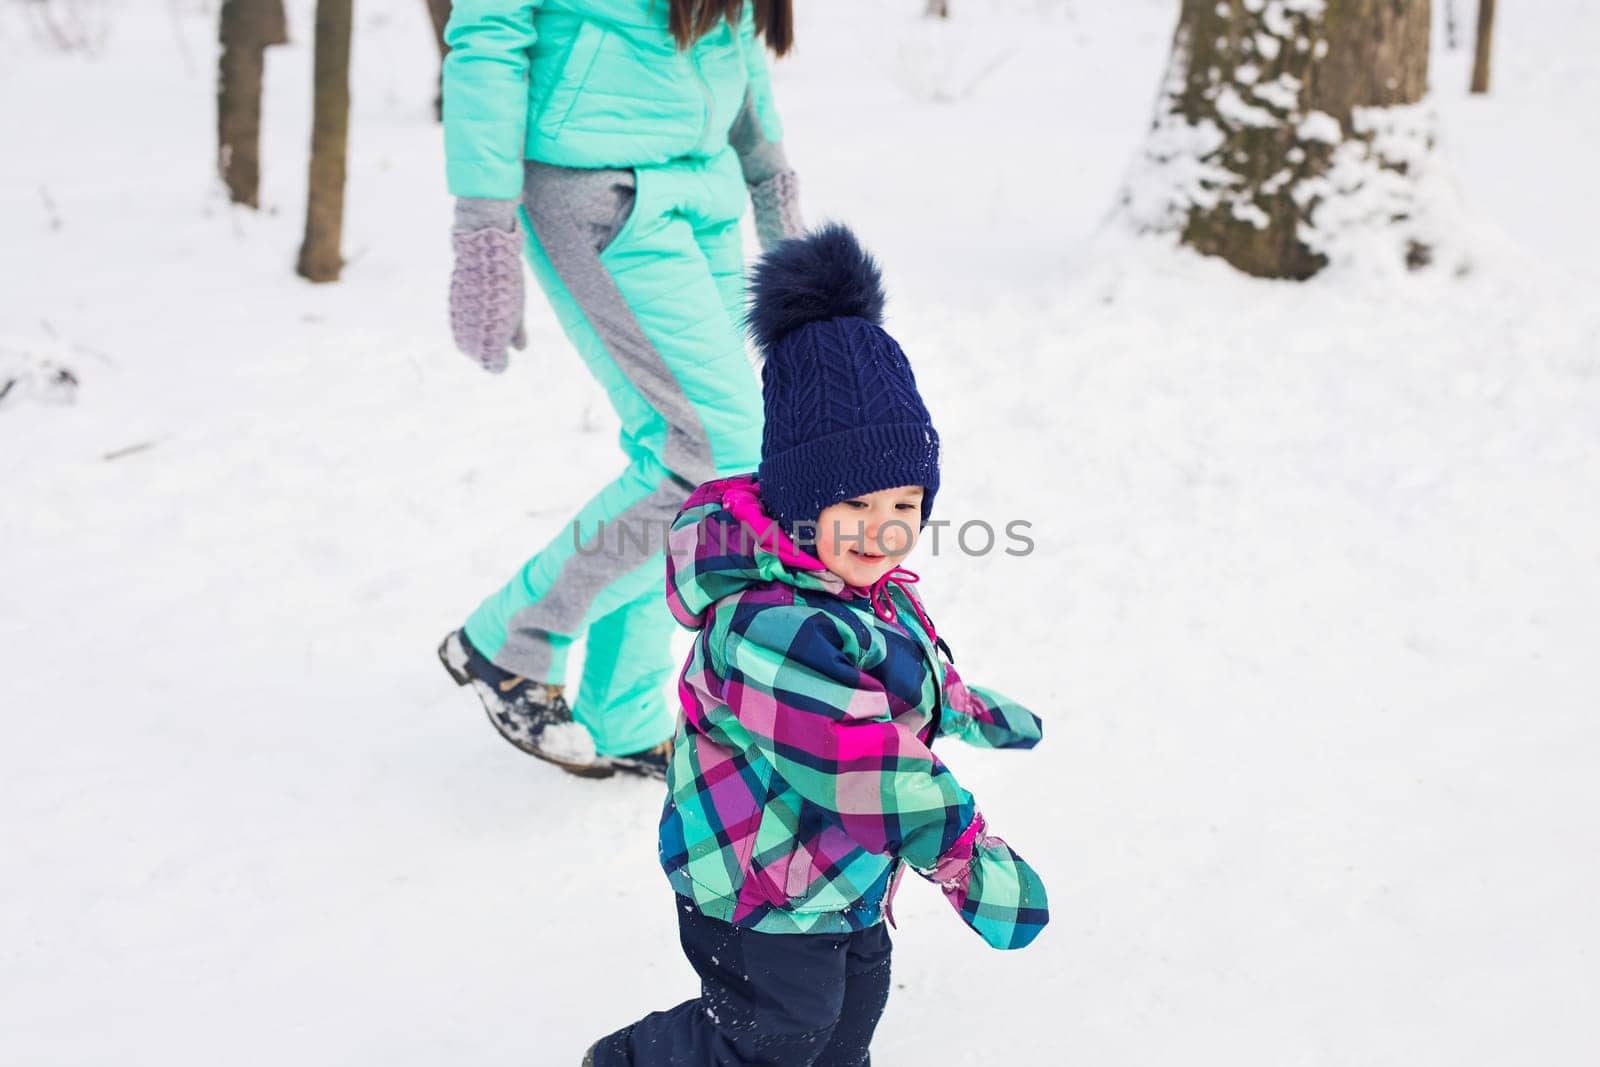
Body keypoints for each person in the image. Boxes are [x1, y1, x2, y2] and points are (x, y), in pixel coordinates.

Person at [584, 225, 1049, 1065]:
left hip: (842, 871)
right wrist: (966, 857)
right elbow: (860, 760)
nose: (884, 530)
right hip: (754, 883)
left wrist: (967, 706)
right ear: (800, 500)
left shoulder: (854, 589)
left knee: (849, 1015)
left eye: (905, 502)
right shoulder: (773, 623)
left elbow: (897, 673)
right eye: (855, 506)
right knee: (775, 1031)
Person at [434, 0, 805, 779]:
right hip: (595, 184)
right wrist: (483, 227)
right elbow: (489, 34)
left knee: (689, 452)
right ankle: (514, 642)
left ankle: (625, 710)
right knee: (717, 451)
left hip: (702, 184)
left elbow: (732, 30)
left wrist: (773, 187)